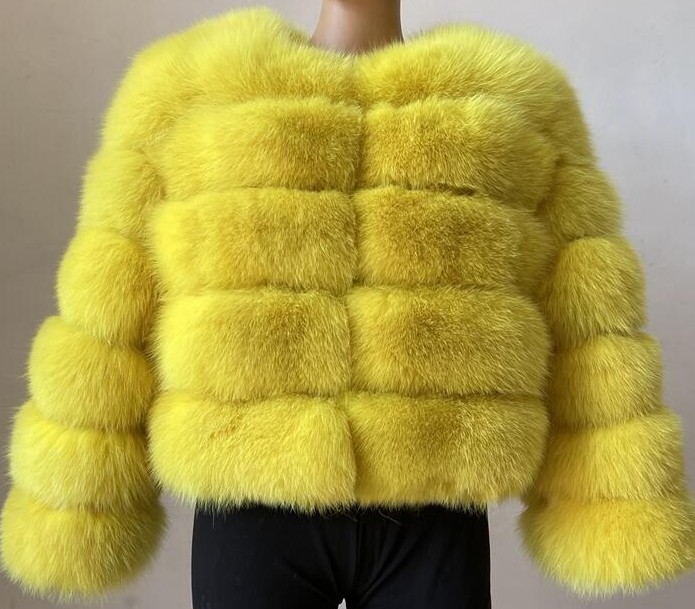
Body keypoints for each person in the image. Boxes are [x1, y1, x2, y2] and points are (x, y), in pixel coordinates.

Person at [2, 1, 695, 607]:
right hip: (252, 509)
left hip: (433, 511)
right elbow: (105, 305)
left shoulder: (518, 101)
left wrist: (608, 494)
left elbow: (589, 315)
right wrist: (76, 498)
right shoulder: (187, 90)